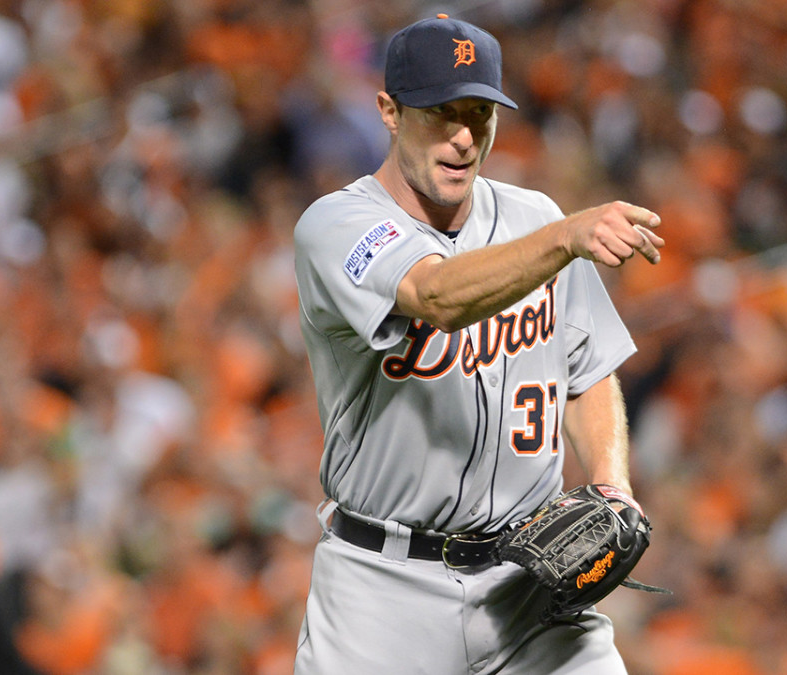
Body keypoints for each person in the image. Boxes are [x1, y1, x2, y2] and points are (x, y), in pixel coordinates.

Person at [291, 13, 664, 675]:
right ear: (389, 110)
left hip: (529, 591)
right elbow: (435, 295)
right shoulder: (337, 224)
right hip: (383, 594)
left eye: (480, 114)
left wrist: (611, 481)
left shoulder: (534, 218)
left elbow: (586, 369)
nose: (464, 137)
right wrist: (565, 239)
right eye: (441, 113)